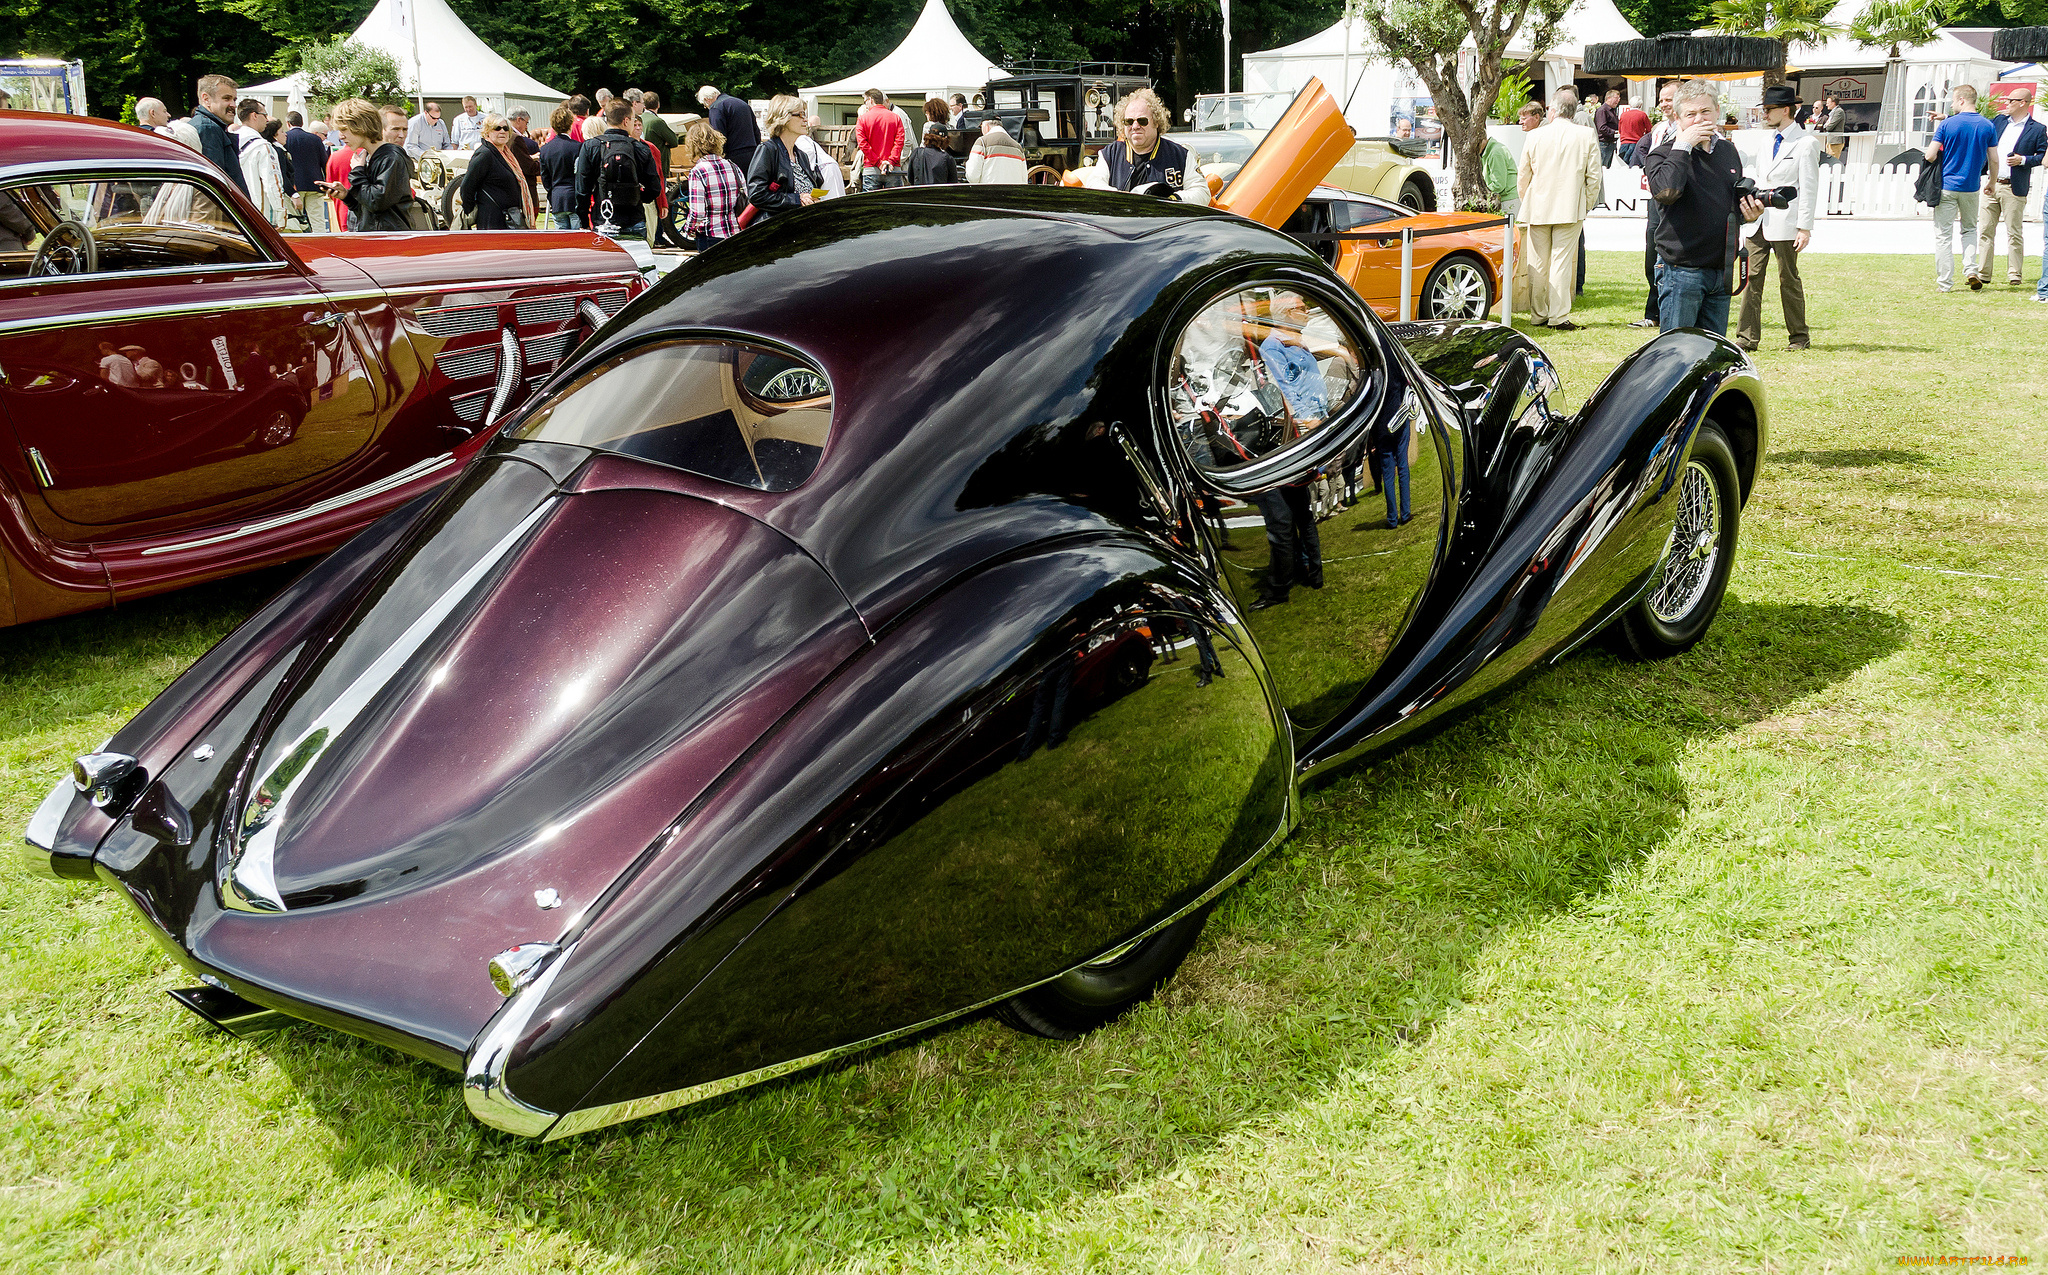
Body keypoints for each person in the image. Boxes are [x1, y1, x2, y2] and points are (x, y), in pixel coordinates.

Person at [1643, 80, 1766, 334]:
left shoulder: (1728, 151)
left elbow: (1724, 205)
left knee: (1712, 350)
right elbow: (1666, 192)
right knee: (1676, 349)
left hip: (1720, 270)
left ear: (1717, 111)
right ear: (1677, 118)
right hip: (1680, 270)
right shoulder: (1662, 155)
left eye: (1705, 111)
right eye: (1691, 114)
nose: (1699, 119)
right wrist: (1684, 145)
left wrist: (1749, 214)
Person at [1735, 84, 1821, 353]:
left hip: (1787, 222)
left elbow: (1809, 187)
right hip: (1759, 220)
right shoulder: (1766, 141)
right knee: (1751, 278)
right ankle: (1746, 338)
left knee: (1788, 279)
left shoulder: (1806, 143)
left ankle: (1799, 336)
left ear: (1786, 110)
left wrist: (1804, 227)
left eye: (1769, 109)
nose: (1764, 114)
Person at [1516, 88, 1602, 330]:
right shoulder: (1585, 135)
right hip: (1570, 207)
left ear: (1552, 110)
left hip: (1538, 206)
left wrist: (1527, 200)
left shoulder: (1535, 136)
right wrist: (1585, 204)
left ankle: (1538, 314)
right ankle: (1558, 316)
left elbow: (1523, 176)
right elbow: (1594, 177)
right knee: (1561, 262)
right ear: (1573, 112)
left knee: (1538, 263)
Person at [1924, 84, 1998, 292]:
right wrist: (1992, 182)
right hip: (1971, 187)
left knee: (1943, 235)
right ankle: (1971, 270)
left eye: (1954, 101)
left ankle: (1945, 282)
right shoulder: (1987, 126)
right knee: (1969, 230)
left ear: (1962, 100)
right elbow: (1994, 159)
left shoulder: (1948, 125)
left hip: (1947, 185)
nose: (1952, 105)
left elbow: (1930, 155)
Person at [1973, 89, 2043, 288]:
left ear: (2023, 102)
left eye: (2011, 100)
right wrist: (1947, 118)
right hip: (1991, 185)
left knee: (2014, 232)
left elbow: (2042, 155)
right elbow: (1977, 125)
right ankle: (1983, 274)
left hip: (2014, 187)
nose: (2007, 103)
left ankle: (2015, 274)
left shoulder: (2037, 129)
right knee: (1985, 230)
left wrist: (2024, 160)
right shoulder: (1999, 122)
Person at [320, 98, 414, 231]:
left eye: (344, 129)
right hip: (378, 237)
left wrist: (358, 172)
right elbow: (369, 209)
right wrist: (347, 196)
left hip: (388, 239)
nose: (341, 136)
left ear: (361, 127)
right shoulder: (372, 156)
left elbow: (376, 203)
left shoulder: (391, 158)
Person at [1630, 81, 1681, 329]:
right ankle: (1653, 313)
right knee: (1652, 254)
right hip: (1656, 199)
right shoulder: (1659, 130)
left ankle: (1665, 312)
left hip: (1678, 200)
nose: (1663, 104)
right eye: (1661, 100)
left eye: (1668, 99)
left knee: (1671, 256)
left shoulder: (1689, 129)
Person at [576, 99, 661, 237]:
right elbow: (654, 188)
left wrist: (584, 220)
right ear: (626, 121)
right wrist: (636, 197)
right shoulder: (640, 148)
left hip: (603, 218)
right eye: (633, 119)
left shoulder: (591, 146)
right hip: (634, 218)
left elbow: (582, 190)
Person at [746, 95, 820, 225]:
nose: (805, 119)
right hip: (777, 228)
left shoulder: (801, 155)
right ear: (783, 118)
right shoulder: (768, 150)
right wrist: (796, 199)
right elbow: (757, 195)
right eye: (800, 114)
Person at [1101, 88, 1187, 192]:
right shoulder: (1109, 154)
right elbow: (1094, 184)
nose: (1135, 126)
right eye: (1129, 121)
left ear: (1156, 122)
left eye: (1142, 121)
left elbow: (1200, 190)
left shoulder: (1181, 155)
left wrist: (1173, 198)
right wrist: (1118, 197)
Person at [461, 114, 536, 228]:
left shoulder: (506, 155)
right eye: (497, 128)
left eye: (506, 128)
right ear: (487, 131)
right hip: (492, 220)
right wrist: (473, 211)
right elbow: (467, 187)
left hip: (510, 219)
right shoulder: (484, 154)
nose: (502, 131)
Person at [680, 120, 743, 251]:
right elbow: (745, 197)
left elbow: (698, 212)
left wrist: (689, 229)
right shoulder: (733, 167)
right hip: (735, 232)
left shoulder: (698, 172)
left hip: (710, 235)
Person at [232, 98, 288, 228]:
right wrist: (281, 216)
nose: (267, 120)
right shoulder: (263, 147)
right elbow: (273, 184)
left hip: (237, 212)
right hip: (261, 216)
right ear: (254, 115)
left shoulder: (231, 142)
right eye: (265, 115)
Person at [639, 93, 685, 246]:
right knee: (660, 202)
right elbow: (674, 140)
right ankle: (658, 236)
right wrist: (665, 142)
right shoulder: (656, 122)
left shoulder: (640, 119)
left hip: (642, 169)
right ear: (658, 105)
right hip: (658, 167)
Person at [191, 74, 249, 197]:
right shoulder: (208, 128)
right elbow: (213, 182)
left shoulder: (208, 126)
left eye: (234, 99)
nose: (233, 105)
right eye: (226, 98)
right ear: (206, 99)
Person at [539, 105, 582, 227]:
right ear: (570, 124)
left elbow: (545, 178)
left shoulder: (545, 150)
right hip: (574, 197)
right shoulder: (577, 147)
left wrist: (553, 191)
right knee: (577, 237)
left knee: (562, 237)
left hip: (557, 198)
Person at [704, 85, 760, 176]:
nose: (705, 107)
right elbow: (756, 131)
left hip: (733, 156)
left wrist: (719, 157)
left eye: (704, 105)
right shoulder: (743, 103)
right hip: (753, 153)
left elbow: (718, 136)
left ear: (707, 99)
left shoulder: (716, 107)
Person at [856, 87, 904, 191]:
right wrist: (891, 161)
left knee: (871, 201)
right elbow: (899, 142)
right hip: (893, 168)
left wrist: (878, 163)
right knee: (895, 200)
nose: (865, 105)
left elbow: (862, 144)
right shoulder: (895, 117)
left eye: (865, 102)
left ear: (870, 100)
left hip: (871, 168)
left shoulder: (862, 119)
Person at [283, 111, 329, 204]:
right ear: (302, 123)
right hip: (315, 183)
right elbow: (324, 162)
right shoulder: (315, 139)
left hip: (295, 185)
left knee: (296, 213)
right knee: (316, 213)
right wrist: (327, 182)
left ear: (288, 123)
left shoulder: (285, 138)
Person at [796, 116, 846, 197]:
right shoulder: (802, 139)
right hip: (826, 168)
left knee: (830, 199)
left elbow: (808, 154)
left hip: (824, 170)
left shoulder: (800, 139)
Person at [966, 118, 1027, 183]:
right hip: (1014, 189)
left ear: (986, 126)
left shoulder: (982, 142)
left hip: (990, 189)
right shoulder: (1018, 147)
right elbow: (1024, 179)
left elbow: (972, 176)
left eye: (981, 127)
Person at [1483, 120, 1520, 215]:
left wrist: (1482, 191)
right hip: (1505, 200)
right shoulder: (1489, 151)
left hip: (1508, 201)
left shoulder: (1495, 153)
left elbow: (1498, 185)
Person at [1617, 94, 1650, 166]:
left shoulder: (1623, 115)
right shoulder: (1642, 115)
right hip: (1637, 143)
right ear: (1640, 105)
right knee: (1635, 166)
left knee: (1622, 165)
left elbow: (1620, 129)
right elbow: (1649, 130)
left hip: (1624, 143)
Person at [1595, 88, 1622, 168]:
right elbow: (1601, 127)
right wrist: (1614, 132)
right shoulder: (1602, 110)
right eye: (1616, 98)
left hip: (1610, 143)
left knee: (1608, 167)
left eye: (1619, 98)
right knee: (1603, 167)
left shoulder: (1612, 110)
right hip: (1604, 144)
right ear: (1609, 98)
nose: (1618, 100)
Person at [1821, 95, 1846, 160]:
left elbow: (1829, 127)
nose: (1826, 105)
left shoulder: (1839, 111)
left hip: (1835, 142)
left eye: (1828, 103)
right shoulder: (1833, 112)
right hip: (1830, 140)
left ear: (1833, 103)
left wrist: (1826, 126)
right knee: (1828, 161)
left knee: (1833, 161)